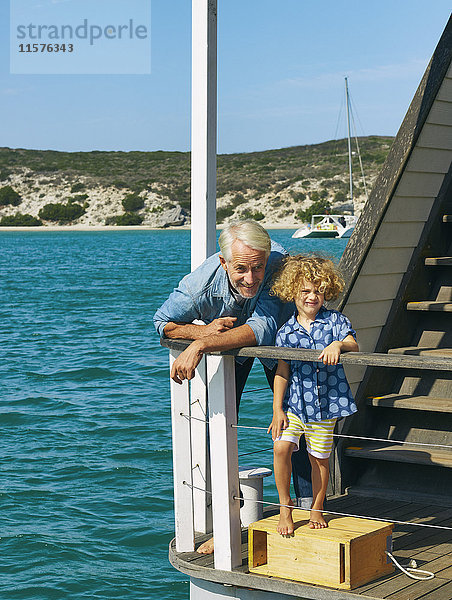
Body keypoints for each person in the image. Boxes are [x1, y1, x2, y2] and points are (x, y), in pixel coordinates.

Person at [153, 220, 313, 551]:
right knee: (218, 429)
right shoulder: (200, 285)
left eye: (258, 267)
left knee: (300, 425)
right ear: (224, 262)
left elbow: (263, 328)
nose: (251, 278)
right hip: (229, 351)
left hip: (283, 344)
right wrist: (199, 332)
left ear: (267, 258)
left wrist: (200, 346)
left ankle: (308, 511)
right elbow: (162, 323)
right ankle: (228, 521)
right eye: (241, 269)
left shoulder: (279, 268)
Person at [267, 254, 358, 535]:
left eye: (318, 290)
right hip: (295, 406)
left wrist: (337, 345)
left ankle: (318, 505)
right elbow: (282, 372)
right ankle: (285, 506)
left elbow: (353, 343)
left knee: (319, 459)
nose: (312, 296)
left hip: (326, 407)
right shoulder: (286, 332)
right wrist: (277, 410)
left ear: (326, 291)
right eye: (305, 291)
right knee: (281, 447)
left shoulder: (335, 322)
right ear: (292, 292)